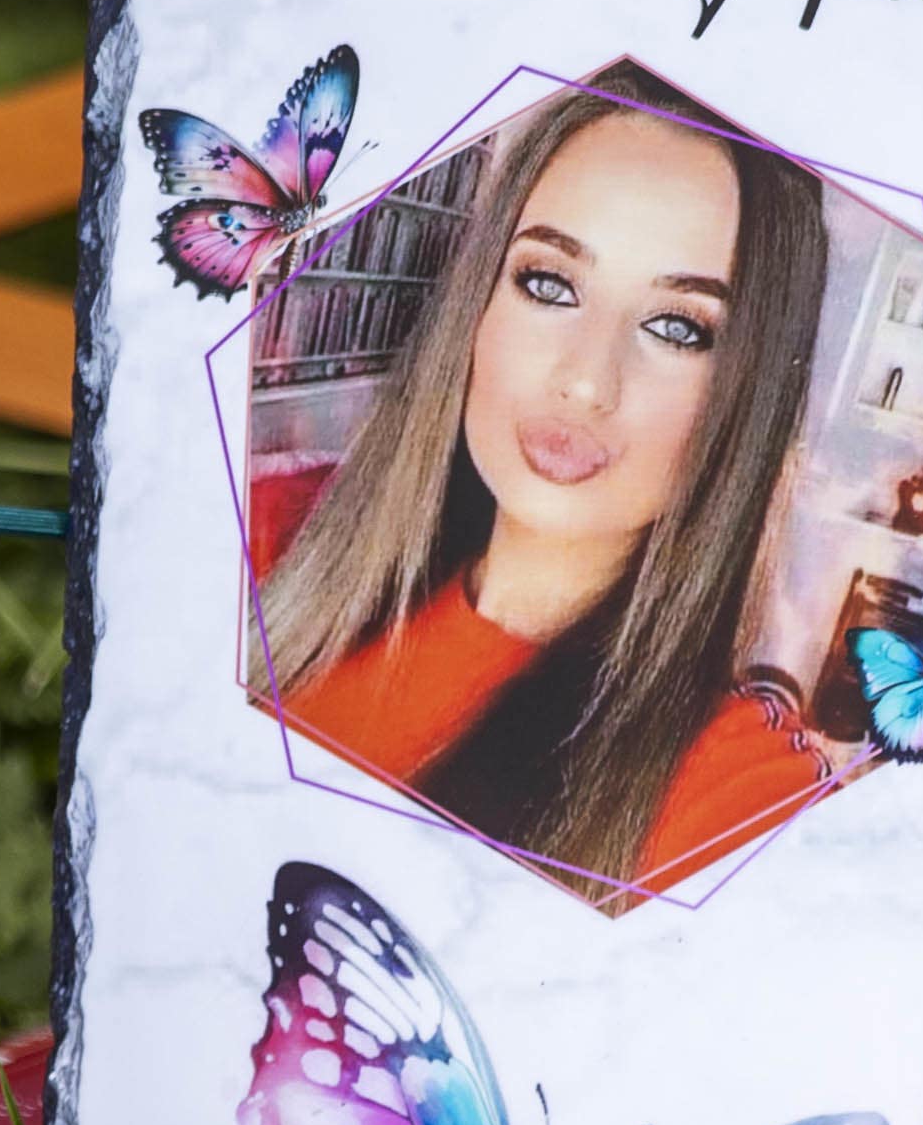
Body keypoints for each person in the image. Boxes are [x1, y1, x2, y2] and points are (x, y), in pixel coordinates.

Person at [247, 61, 834, 904]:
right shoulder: (272, 536)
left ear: (746, 398)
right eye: (548, 284)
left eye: (678, 327)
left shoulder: (742, 798)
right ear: (478, 303)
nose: (586, 380)